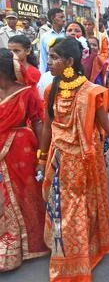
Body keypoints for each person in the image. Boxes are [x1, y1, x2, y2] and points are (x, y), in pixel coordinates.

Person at [36, 37, 109, 281]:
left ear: (70, 61)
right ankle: (67, 252)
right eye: (50, 57)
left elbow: (105, 123)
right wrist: (42, 156)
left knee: (82, 207)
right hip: (60, 159)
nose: (50, 62)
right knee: (61, 207)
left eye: (56, 58)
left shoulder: (91, 92)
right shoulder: (52, 89)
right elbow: (48, 125)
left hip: (85, 159)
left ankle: (79, 255)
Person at [0, 49, 48, 271]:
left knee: (26, 193)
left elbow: (38, 121)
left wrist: (43, 155)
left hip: (21, 150)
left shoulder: (26, 92)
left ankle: (29, 242)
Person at [39, 8, 65, 73]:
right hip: (52, 71)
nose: (64, 20)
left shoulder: (68, 34)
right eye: (61, 17)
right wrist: (42, 75)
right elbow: (43, 58)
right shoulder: (44, 37)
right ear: (53, 19)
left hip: (68, 71)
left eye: (63, 17)